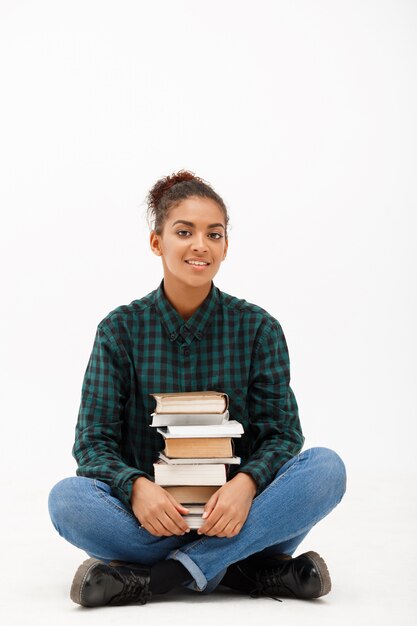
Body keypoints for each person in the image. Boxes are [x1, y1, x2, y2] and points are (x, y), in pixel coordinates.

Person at [48, 170, 346, 607]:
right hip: (148, 522)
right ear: (157, 242)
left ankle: (159, 578)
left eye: (214, 233)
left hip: (240, 516)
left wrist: (246, 485)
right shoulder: (120, 330)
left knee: (326, 468)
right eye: (184, 232)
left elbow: (283, 434)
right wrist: (136, 488)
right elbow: (92, 443)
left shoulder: (258, 328)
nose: (200, 245)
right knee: (66, 500)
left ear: (226, 245)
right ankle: (246, 570)